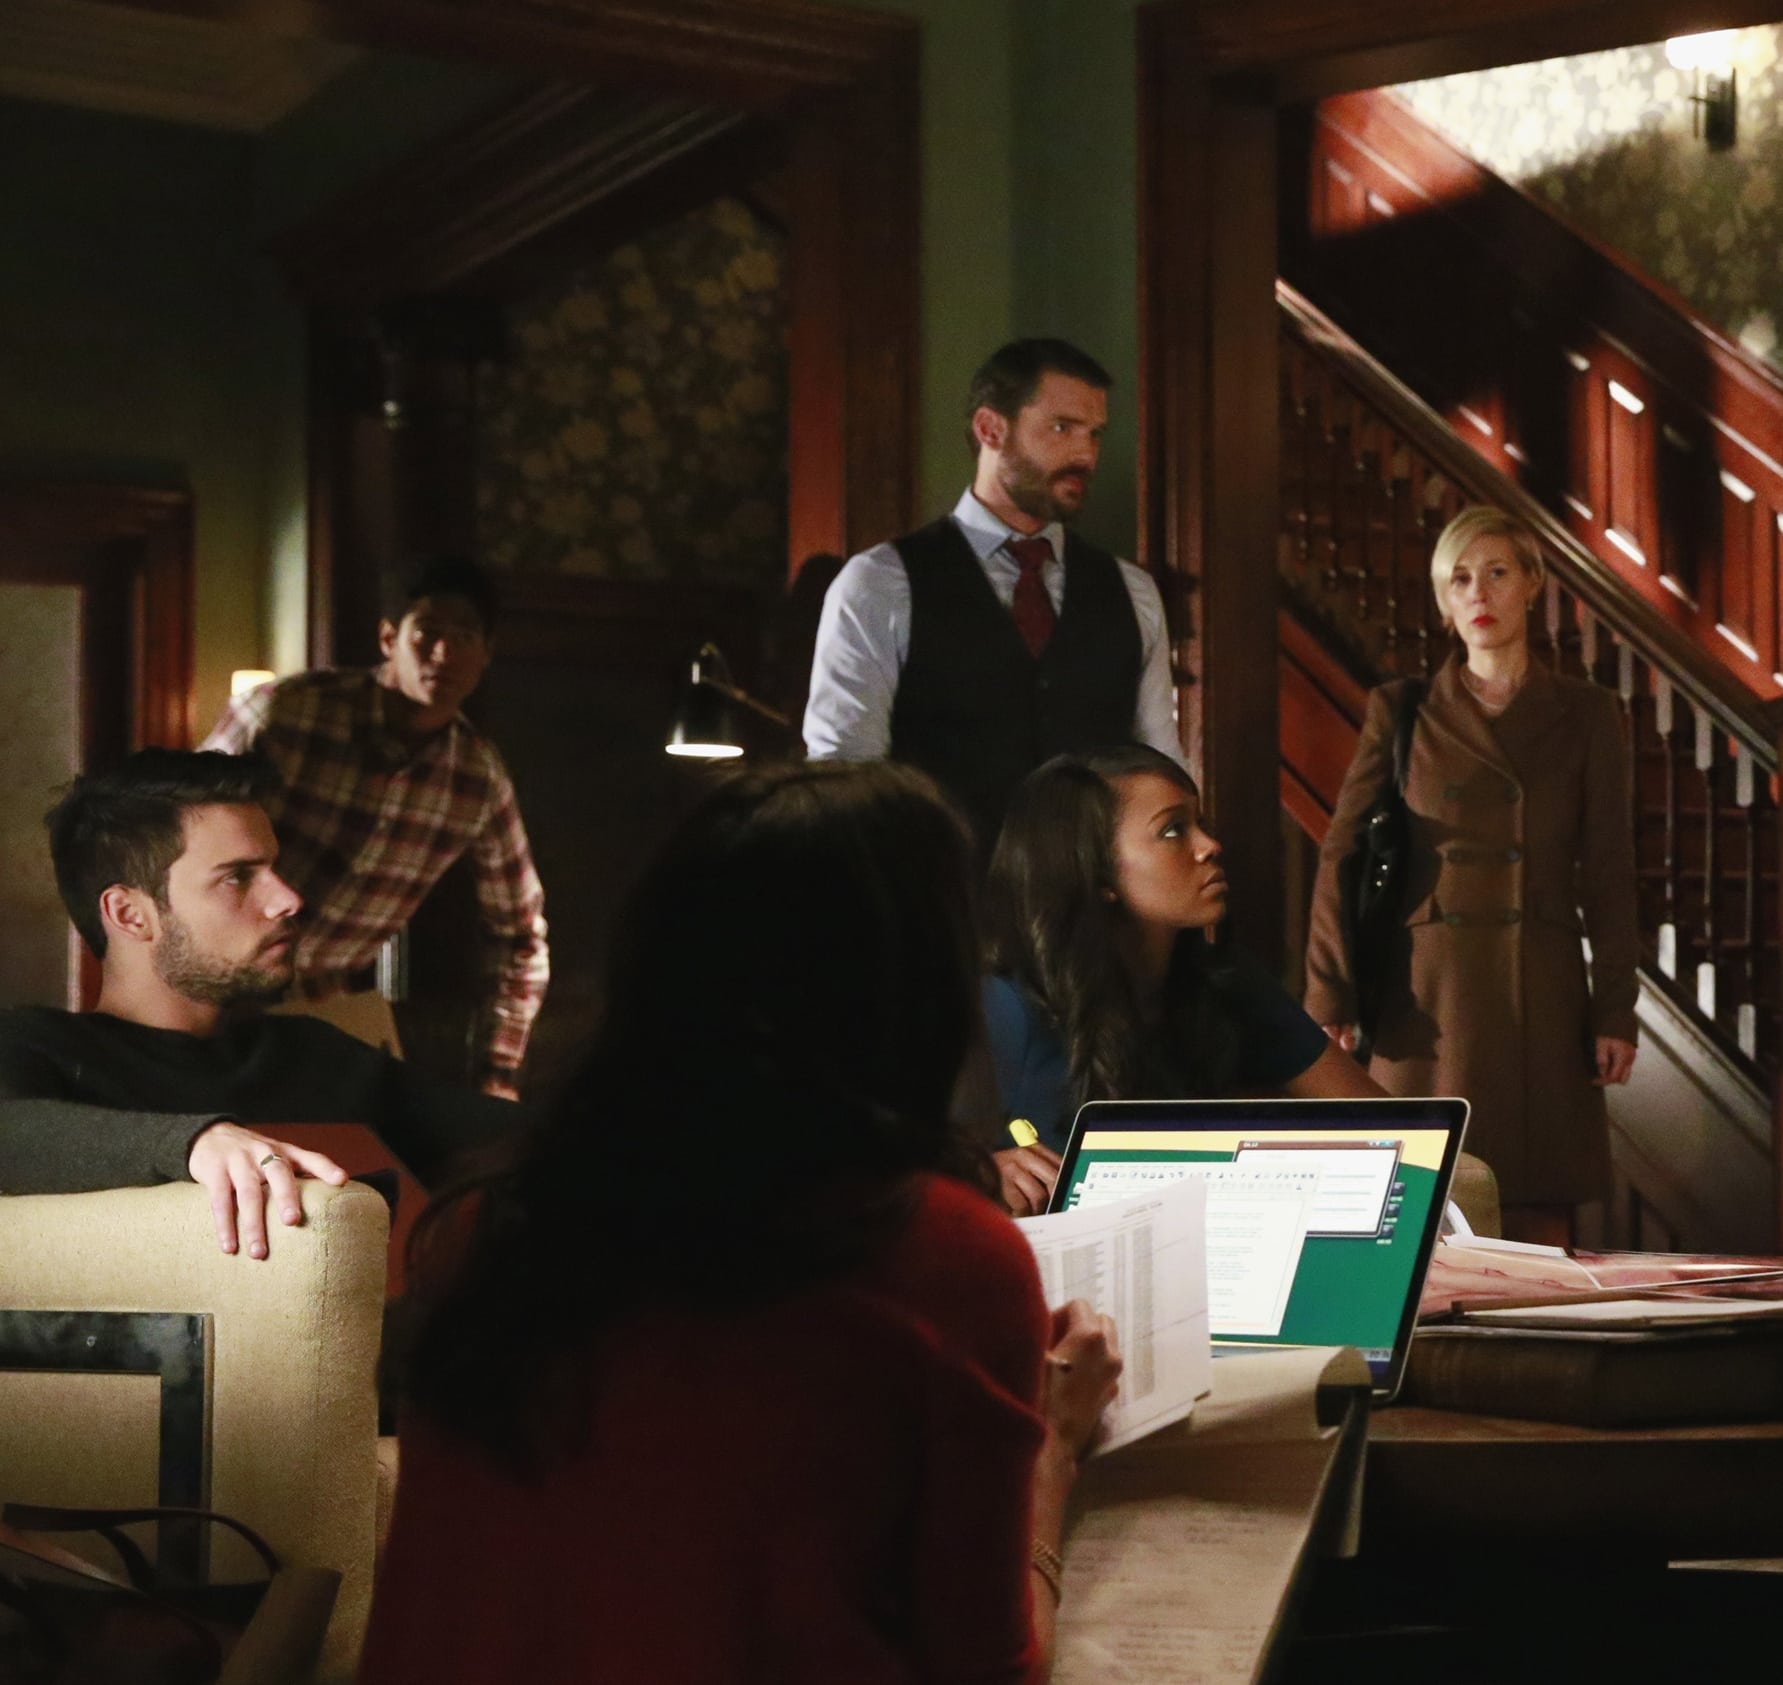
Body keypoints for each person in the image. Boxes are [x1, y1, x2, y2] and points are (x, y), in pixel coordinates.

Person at [361, 761, 1123, 1684]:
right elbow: (993, 1670)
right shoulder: (944, 1257)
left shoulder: (486, 1230)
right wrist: (1053, 1447)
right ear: (917, 990)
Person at [0, 750, 513, 1258]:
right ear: (130, 914)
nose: (287, 899)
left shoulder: (314, 1054)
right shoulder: (40, 1047)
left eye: (273, 869)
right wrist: (193, 1143)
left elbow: (526, 1139)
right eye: (237, 877)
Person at [1302, 507, 1639, 1246]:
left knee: (1535, 1216)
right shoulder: (1403, 710)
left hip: (1540, 993)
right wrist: (1330, 990)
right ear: (1444, 601)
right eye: (1459, 579)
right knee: (1416, 1214)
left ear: (1532, 585)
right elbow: (1342, 853)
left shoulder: (1587, 714)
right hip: (1428, 997)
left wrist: (1616, 1008)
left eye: (1497, 572)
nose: (1478, 593)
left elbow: (1610, 871)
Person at [803, 337, 1180, 848]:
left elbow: (1161, 770)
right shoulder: (880, 583)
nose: (1085, 455)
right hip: (941, 888)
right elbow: (845, 777)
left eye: (1094, 434)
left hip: (1090, 893)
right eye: (1062, 427)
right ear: (990, 429)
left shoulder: (1132, 592)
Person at [979, 745, 1383, 1213]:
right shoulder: (1007, 1005)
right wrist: (983, 1167)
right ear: (1097, 871)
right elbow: (906, 1160)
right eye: (1173, 830)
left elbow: (1389, 1129)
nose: (1210, 845)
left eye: (1201, 824)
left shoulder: (1229, 982)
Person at [204, 556, 548, 1097]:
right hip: (209, 990)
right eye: (427, 633)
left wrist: (498, 1074)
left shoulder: (476, 779)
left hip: (321, 1012)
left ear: (486, 654)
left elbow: (520, 938)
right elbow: (171, 839)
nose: (444, 654)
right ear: (389, 638)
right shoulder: (286, 713)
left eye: (464, 638)